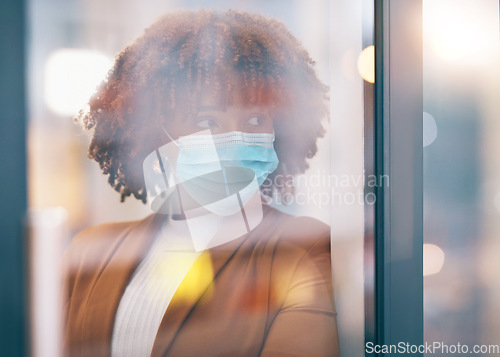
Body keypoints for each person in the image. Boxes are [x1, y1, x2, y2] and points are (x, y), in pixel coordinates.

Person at [63, 9, 339, 357]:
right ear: (153, 132)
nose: (235, 137)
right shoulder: (95, 252)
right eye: (206, 119)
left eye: (255, 119)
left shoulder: (304, 249)